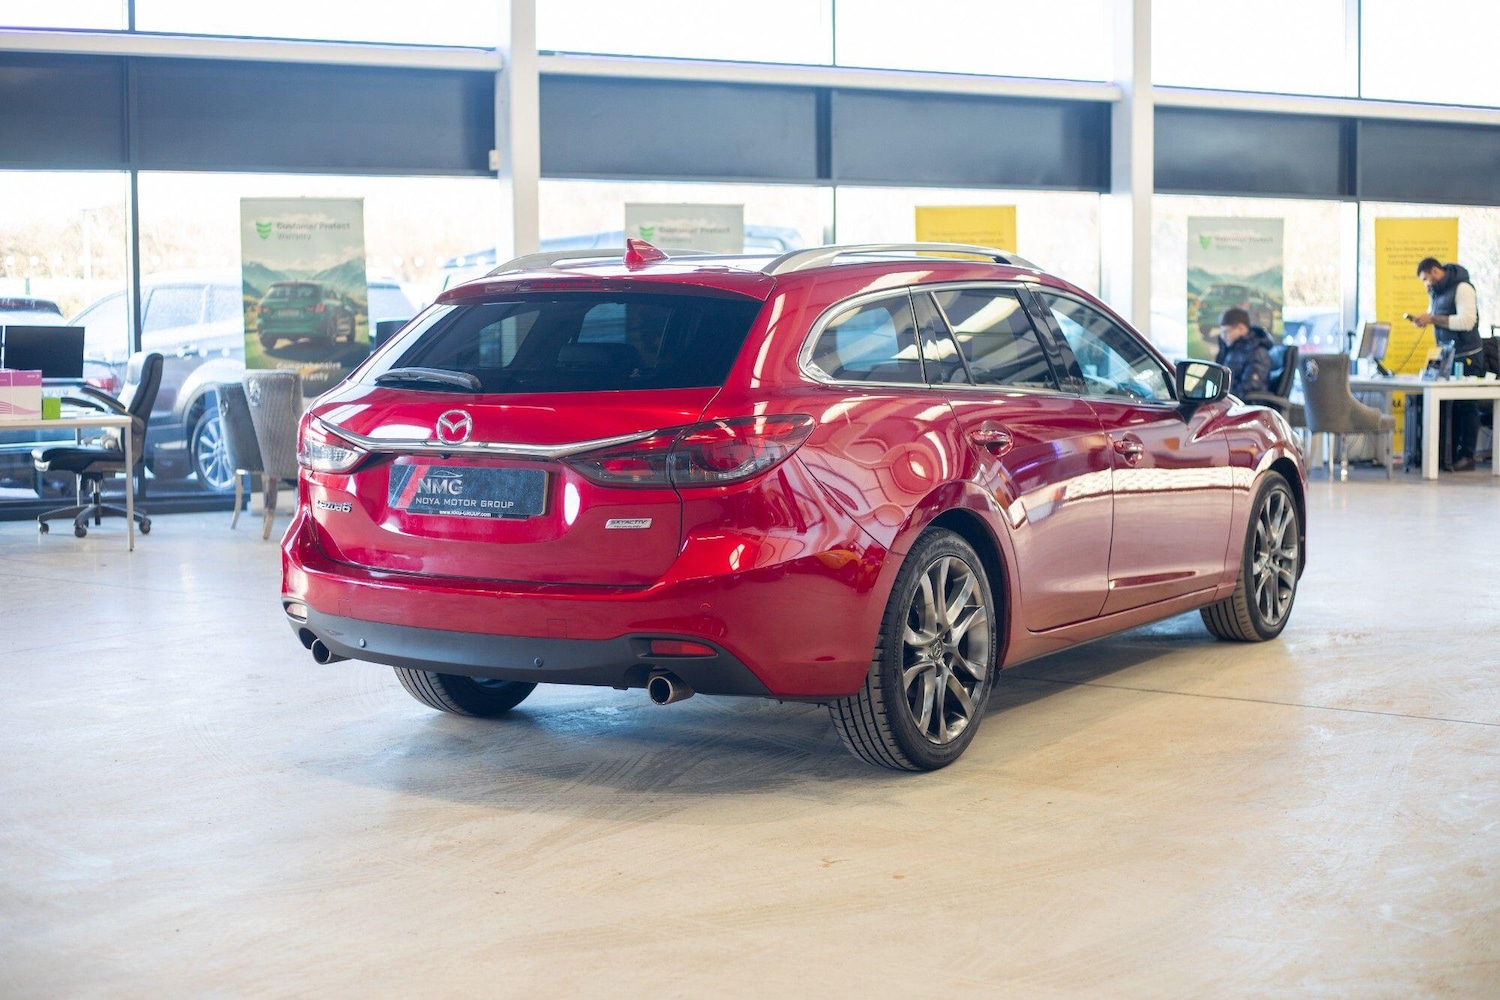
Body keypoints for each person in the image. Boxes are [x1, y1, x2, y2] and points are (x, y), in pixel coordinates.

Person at [1412, 257, 1482, 470]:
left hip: (1467, 356)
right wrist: (1426, 319)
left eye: (1426, 279)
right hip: (1447, 355)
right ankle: (1445, 457)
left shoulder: (1462, 288)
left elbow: (1468, 321)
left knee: (1467, 406)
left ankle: (1467, 455)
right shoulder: (1437, 293)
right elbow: (1439, 316)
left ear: (1435, 271)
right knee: (1446, 407)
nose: (1426, 284)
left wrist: (1433, 319)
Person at [1215, 307, 1274, 396]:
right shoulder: (1233, 350)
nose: (1223, 337)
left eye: (1226, 332)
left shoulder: (1258, 353)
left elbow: (1249, 389)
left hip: (1246, 405)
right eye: (1222, 333)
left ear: (1241, 329)